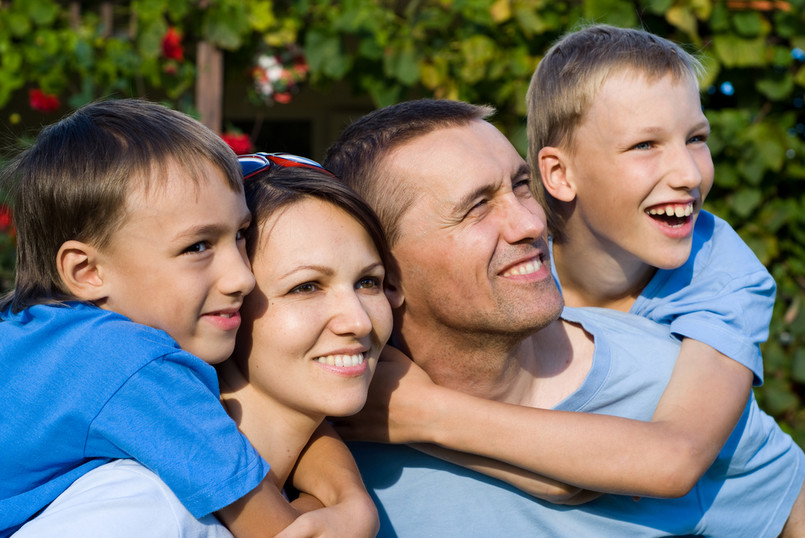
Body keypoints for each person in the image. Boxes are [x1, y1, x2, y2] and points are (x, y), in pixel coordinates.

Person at [323, 97, 805, 536]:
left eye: (520, 186)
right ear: (384, 276)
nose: (533, 223)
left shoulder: (668, 385)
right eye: (477, 208)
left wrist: (429, 417)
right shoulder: (327, 441)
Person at [0, 100, 372, 537]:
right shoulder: (135, 366)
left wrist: (348, 492)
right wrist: (347, 511)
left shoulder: (30, 331)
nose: (241, 276)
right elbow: (277, 531)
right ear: (87, 272)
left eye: (239, 236)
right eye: (197, 247)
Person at [216, 152, 395, 536]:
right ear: (224, 306)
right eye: (306, 287)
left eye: (368, 281)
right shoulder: (143, 513)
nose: (359, 321)